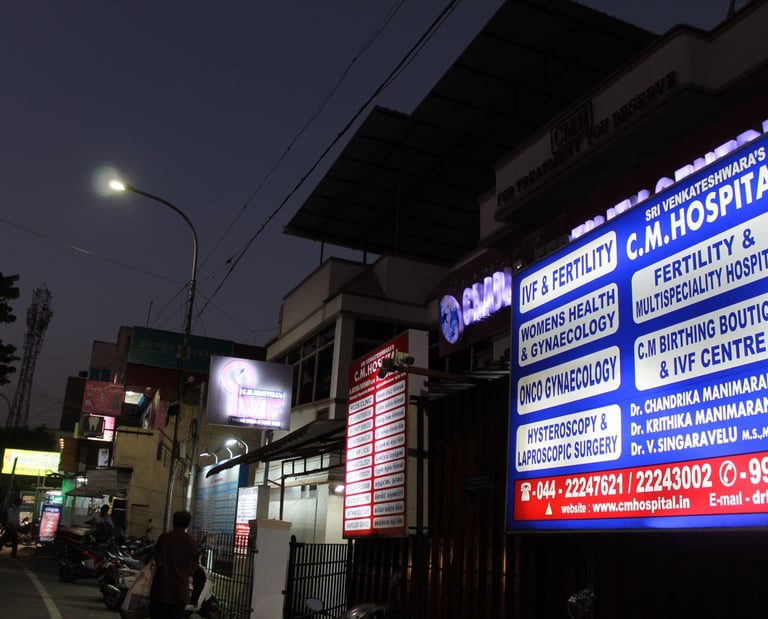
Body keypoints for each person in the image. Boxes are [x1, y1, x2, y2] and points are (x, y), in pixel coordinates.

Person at [150, 510, 199, 619]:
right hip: (180, 594)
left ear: (173, 522)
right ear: (188, 524)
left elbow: (157, 560)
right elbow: (193, 568)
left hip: (161, 591)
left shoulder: (164, 539)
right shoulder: (192, 543)